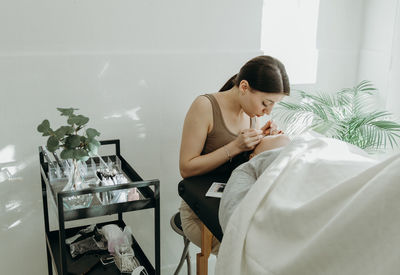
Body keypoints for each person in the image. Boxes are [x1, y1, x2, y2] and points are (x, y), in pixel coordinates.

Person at [179, 55, 290, 254]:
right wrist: (236, 146)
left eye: (273, 105)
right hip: (201, 212)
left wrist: (261, 138)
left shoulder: (251, 113)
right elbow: (186, 168)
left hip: (233, 202)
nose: (267, 112)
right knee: (258, 254)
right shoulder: (204, 106)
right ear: (244, 87)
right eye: (265, 103)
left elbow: (242, 164)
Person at [219, 134, 290, 232]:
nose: (279, 133)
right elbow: (236, 222)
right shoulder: (246, 171)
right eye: (271, 137)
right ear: (252, 157)